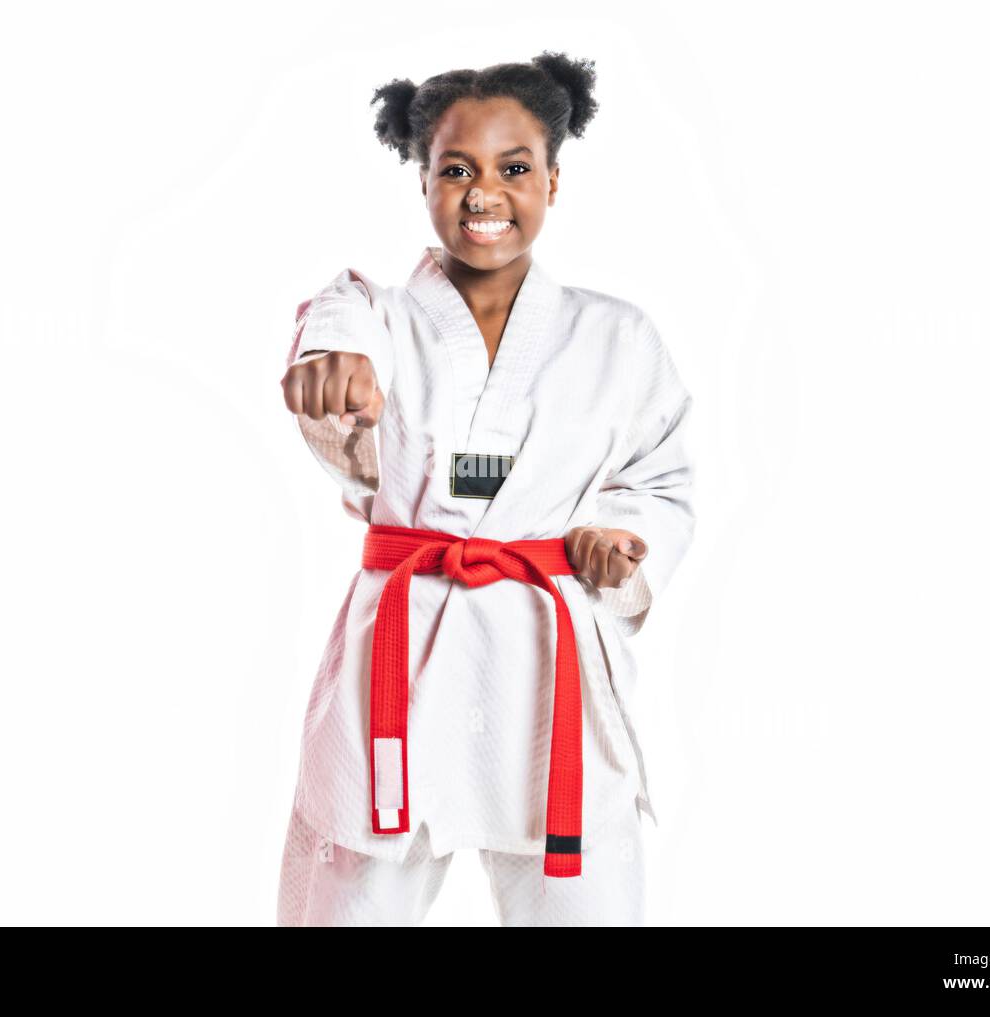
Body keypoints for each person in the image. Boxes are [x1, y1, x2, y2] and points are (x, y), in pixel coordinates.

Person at [276, 51, 696, 926]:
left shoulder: (617, 338)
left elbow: (658, 477)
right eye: (455, 169)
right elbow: (338, 316)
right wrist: (333, 365)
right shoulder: (380, 319)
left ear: (553, 179)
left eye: (513, 168)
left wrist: (617, 540)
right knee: (352, 895)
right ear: (422, 181)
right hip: (402, 648)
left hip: (544, 657)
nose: (483, 193)